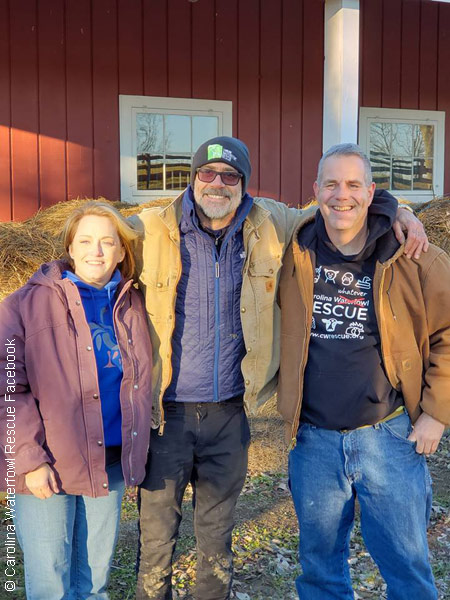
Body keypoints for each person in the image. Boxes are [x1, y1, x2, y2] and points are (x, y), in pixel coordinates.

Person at [130, 136, 428, 600]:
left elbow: (340, 203)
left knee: (216, 541)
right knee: (155, 541)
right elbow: (94, 237)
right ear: (192, 178)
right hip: (164, 414)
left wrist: (398, 210)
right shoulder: (150, 228)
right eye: (207, 173)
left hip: (231, 412)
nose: (217, 184)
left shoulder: (272, 222)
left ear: (244, 184)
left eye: (230, 176)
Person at [277, 143, 450, 600]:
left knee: (407, 567)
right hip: (313, 441)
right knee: (319, 569)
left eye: (354, 184)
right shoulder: (294, 250)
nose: (342, 195)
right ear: (315, 190)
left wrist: (436, 413)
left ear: (372, 192)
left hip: (387, 437)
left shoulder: (411, 254)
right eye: (331, 184)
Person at [0, 201, 153, 599]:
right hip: (46, 466)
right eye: (85, 240)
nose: (96, 251)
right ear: (69, 247)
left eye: (107, 242)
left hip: (109, 462)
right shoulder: (23, 306)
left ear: (122, 251)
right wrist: (30, 460)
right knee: (51, 584)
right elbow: (7, 390)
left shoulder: (132, 304)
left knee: (94, 581)